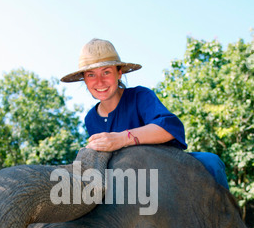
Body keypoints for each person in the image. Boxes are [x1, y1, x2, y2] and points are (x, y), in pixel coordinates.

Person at [61, 38, 229, 189]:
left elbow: (168, 129)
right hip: (128, 180)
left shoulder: (140, 96)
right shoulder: (90, 118)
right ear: (84, 79)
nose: (100, 82)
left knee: (211, 162)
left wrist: (120, 139)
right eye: (91, 75)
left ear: (119, 73)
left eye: (106, 72)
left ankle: (225, 221)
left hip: (164, 166)